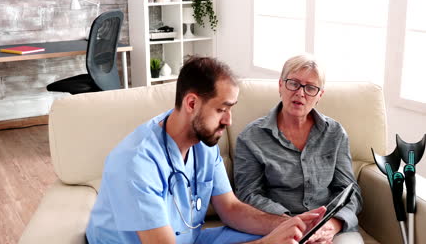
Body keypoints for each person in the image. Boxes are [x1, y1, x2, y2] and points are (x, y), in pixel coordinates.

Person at [85, 56, 325, 244]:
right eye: (222, 109)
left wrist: (290, 225)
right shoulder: (136, 163)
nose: (229, 121)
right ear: (191, 103)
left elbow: (230, 209)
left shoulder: (204, 141)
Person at [234, 54, 364, 244]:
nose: (300, 93)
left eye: (310, 88)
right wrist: (292, 224)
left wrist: (331, 225)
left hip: (330, 228)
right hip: (277, 226)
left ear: (320, 95)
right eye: (293, 83)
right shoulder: (251, 137)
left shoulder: (335, 133)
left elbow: (349, 191)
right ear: (280, 85)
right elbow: (248, 194)